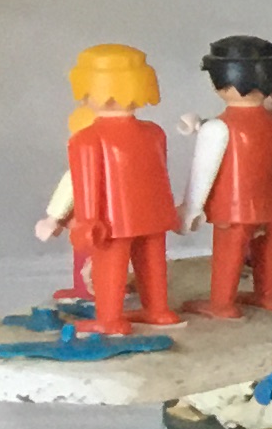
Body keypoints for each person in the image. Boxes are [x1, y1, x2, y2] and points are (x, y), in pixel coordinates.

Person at [36, 46, 183, 338]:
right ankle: (158, 311)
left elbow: (83, 184)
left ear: (87, 88)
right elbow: (160, 174)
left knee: (109, 268)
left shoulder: (87, 138)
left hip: (112, 222)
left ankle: (110, 319)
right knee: (152, 262)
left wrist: (82, 221)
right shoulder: (155, 132)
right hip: (155, 215)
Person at [184, 33, 272, 319]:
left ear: (221, 81)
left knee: (229, 252)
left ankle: (221, 303)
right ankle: (268, 296)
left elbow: (203, 171)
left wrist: (191, 208)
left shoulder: (218, 127)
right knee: (270, 250)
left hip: (235, 207)